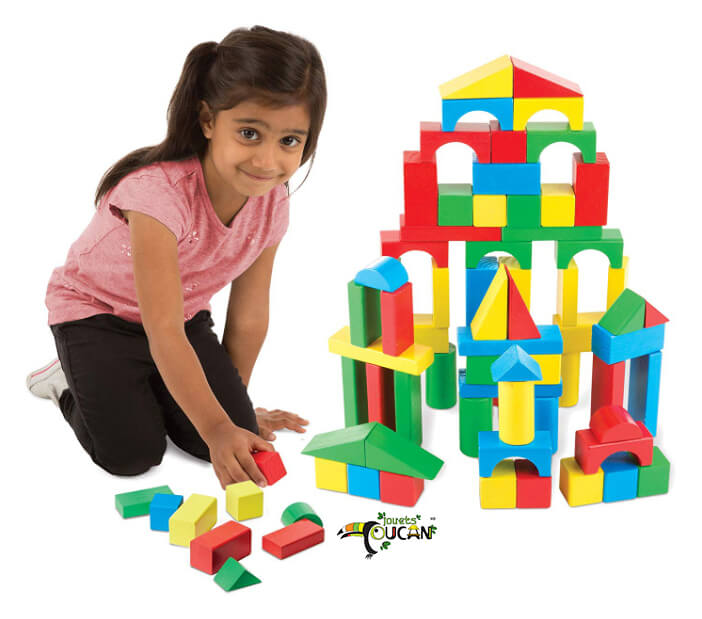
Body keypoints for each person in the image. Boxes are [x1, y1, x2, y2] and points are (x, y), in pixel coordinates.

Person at [26, 26, 326, 489]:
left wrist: (234, 415)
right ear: (207, 121)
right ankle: (66, 382)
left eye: (289, 141)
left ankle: (149, 388)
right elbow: (161, 328)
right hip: (99, 318)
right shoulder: (157, 197)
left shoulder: (272, 203)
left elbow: (249, 316)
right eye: (249, 133)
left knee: (214, 438)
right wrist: (218, 425)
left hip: (181, 318)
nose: (268, 161)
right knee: (133, 454)